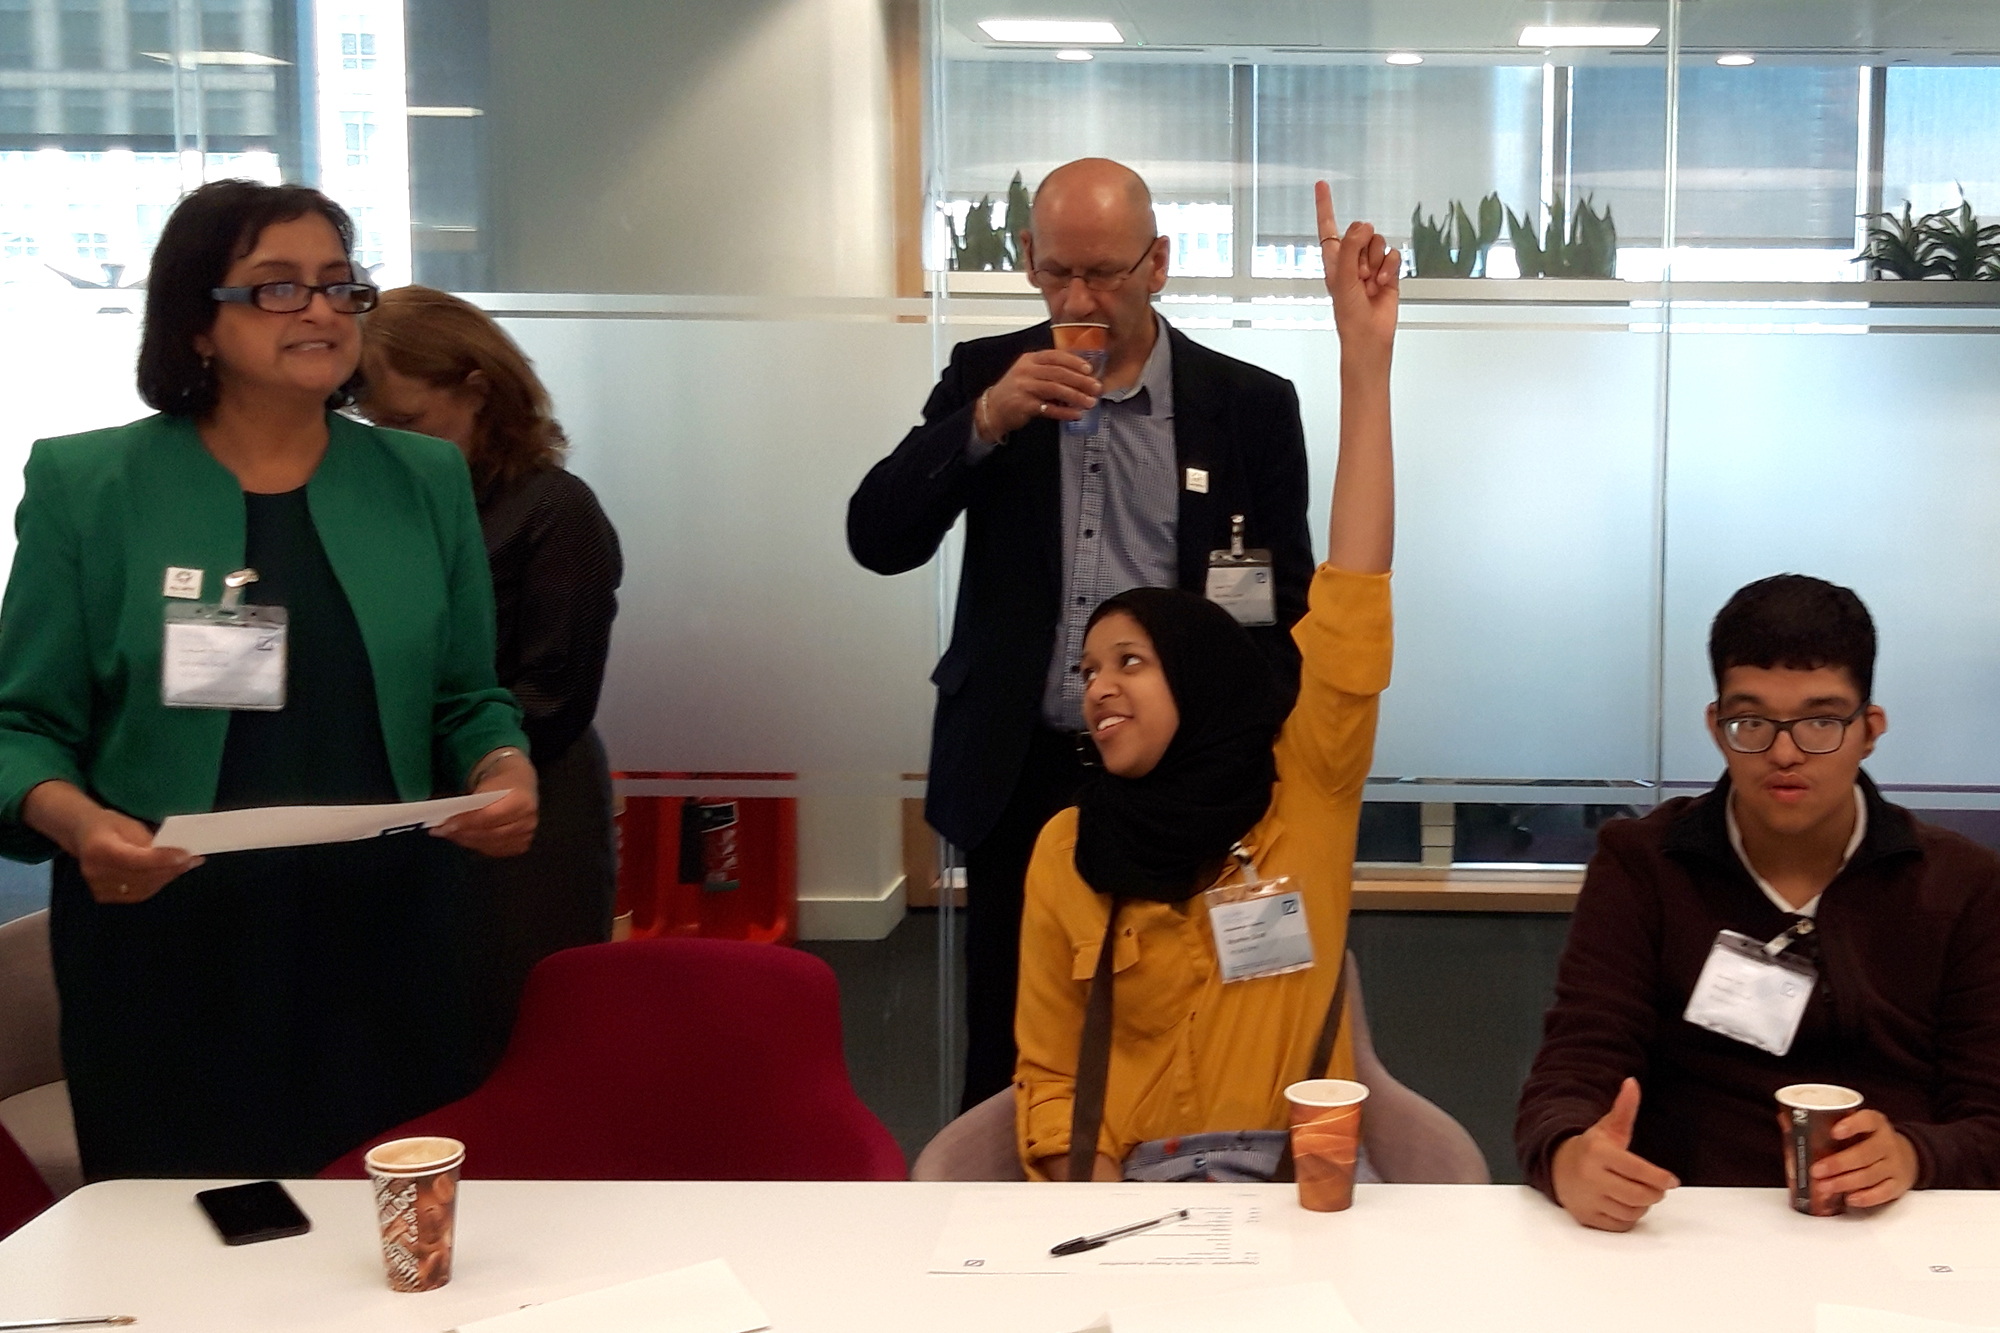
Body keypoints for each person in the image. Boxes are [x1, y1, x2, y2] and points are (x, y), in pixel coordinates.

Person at [0, 180, 537, 1180]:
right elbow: (21, 724)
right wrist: (75, 822)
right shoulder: (89, 486)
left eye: (340, 285)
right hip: (165, 933)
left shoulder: (420, 480)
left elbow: (469, 696)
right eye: (278, 288)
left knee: (379, 1224)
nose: (325, 309)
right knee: (185, 1233)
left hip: (381, 933)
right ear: (197, 324)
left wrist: (501, 764)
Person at [848, 158, 1317, 1109]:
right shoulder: (989, 375)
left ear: (1159, 263)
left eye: (1105, 272)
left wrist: (1250, 756)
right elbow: (878, 537)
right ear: (1026, 259)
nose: (1080, 298)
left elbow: (1280, 609)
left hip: (1182, 777)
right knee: (1013, 1038)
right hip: (1021, 762)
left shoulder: (1247, 407)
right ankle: (997, 1229)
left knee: (1184, 1018)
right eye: (1058, 271)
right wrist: (981, 423)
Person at [1012, 182, 1397, 1180]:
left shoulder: (1300, 803)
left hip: (1295, 1185)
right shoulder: (1067, 850)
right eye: (1090, 668)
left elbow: (1350, 590)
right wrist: (1084, 1200)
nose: (1098, 687)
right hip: (1130, 1195)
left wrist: (1364, 360)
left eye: (1131, 662)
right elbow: (1049, 1077)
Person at [1517, 575, 2000, 1230]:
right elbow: (1573, 1069)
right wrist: (1569, 1153)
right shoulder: (1642, 863)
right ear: (1718, 727)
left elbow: (1990, 1114)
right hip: (1687, 1226)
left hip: (1895, 1232)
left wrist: (1917, 1154)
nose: (1784, 751)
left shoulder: (1963, 883)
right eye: (1752, 722)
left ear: (1870, 729)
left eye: (1821, 721)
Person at [357, 285, 624, 1074]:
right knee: (414, 1039)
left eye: (409, 423)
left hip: (526, 799)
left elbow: (555, 698)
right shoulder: (390, 509)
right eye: (376, 428)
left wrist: (458, 752)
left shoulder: (553, 508)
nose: (393, 445)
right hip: (413, 799)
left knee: (518, 1033)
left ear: (479, 392)